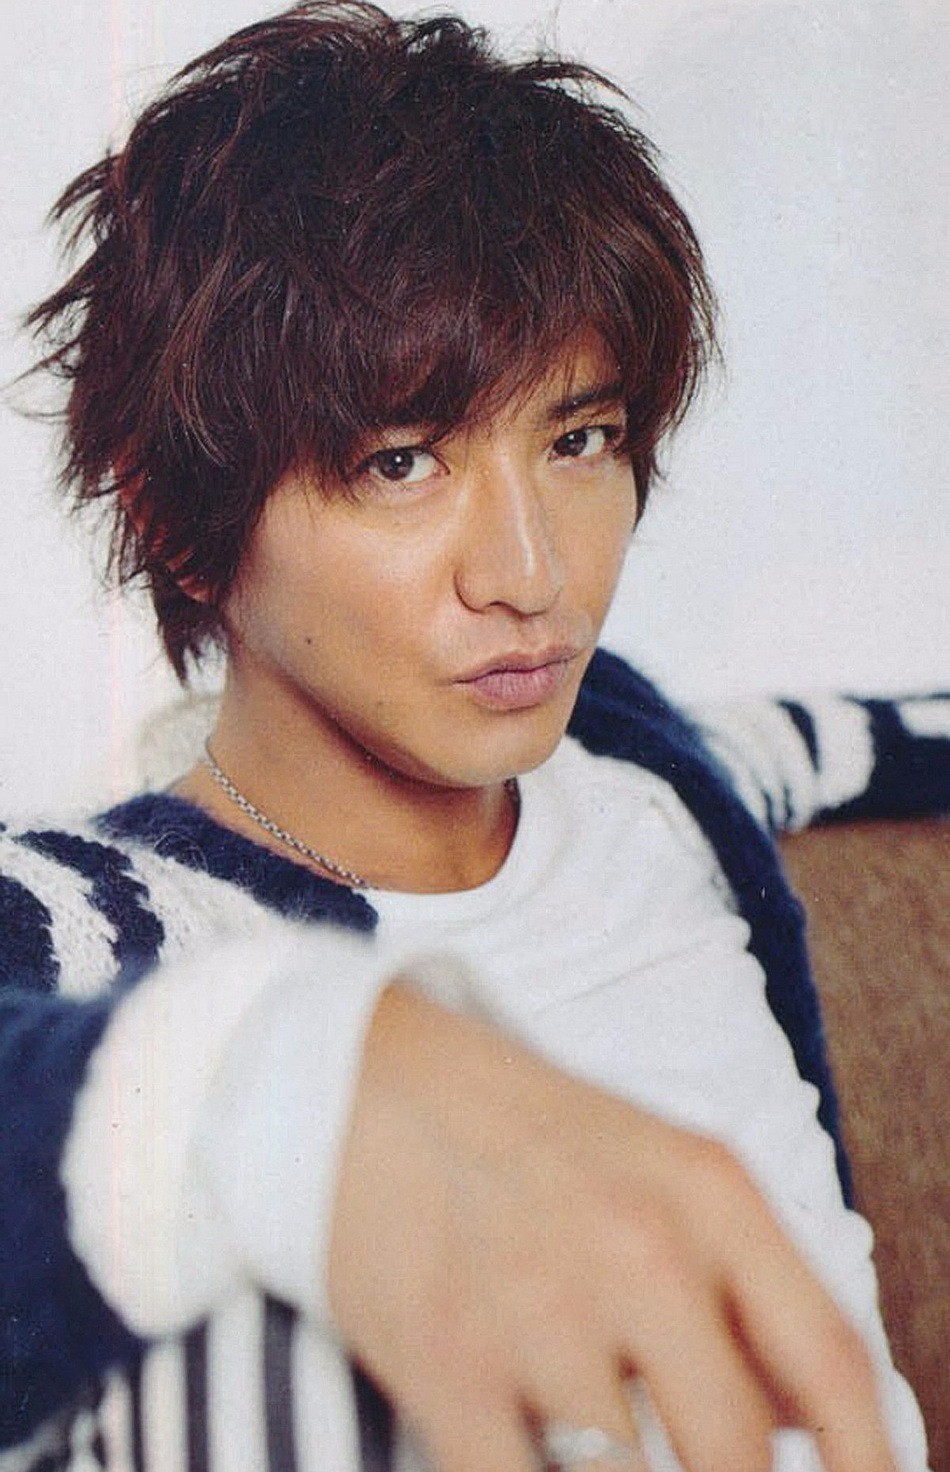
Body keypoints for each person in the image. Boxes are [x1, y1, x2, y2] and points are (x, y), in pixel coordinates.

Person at [0, 4, 942, 1470]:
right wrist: (282, 1078)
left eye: (578, 441)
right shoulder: (94, 920)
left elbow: (857, 739)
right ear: (178, 520)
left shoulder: (652, 772)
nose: (529, 573)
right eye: (400, 462)